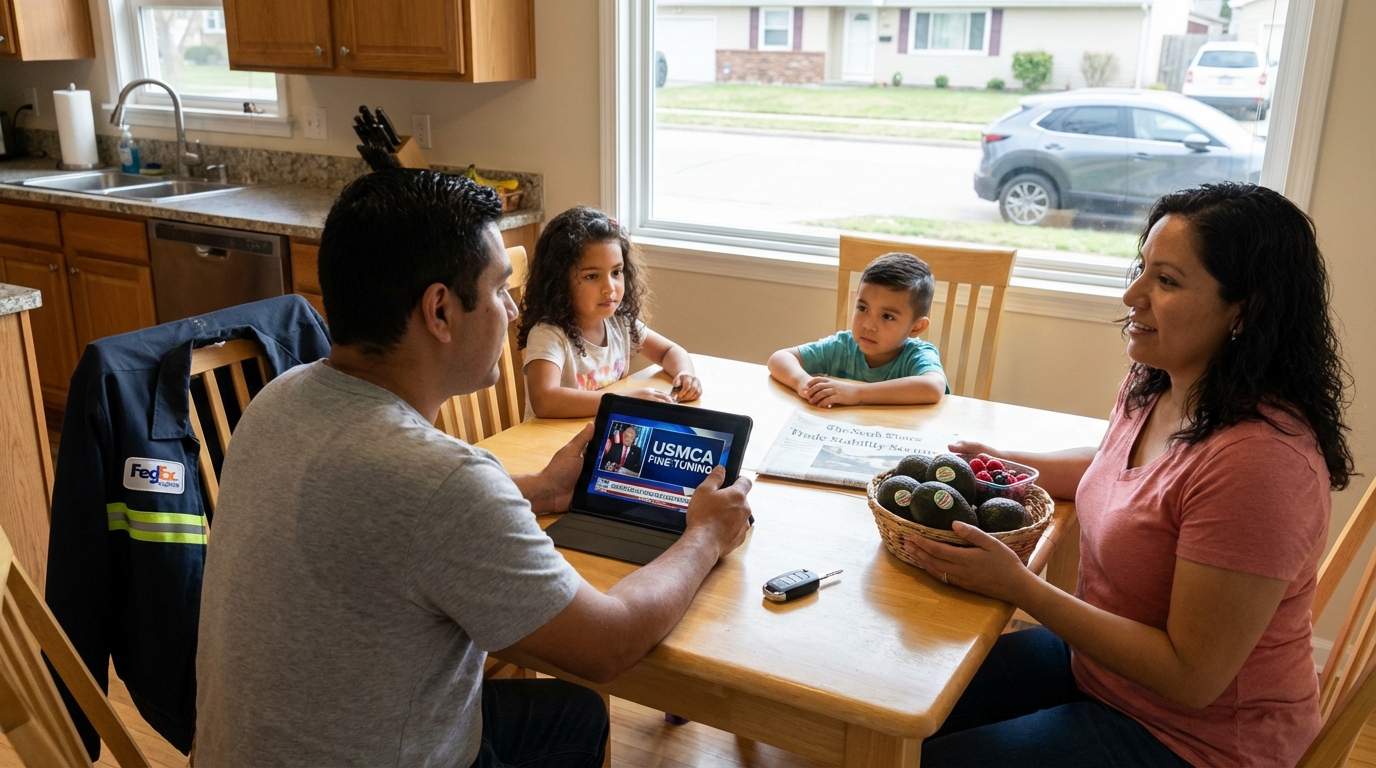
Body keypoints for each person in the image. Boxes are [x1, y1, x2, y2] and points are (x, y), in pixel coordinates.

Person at [194, 170, 754, 767]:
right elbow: (607, 645)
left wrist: (540, 489)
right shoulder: (444, 482)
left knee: (573, 713)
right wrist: (705, 535)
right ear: (440, 310)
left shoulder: (276, 400)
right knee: (579, 708)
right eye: (500, 289)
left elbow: (390, 509)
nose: (512, 310)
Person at [908, 183, 1353, 767]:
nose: (1131, 294)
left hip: (1197, 742)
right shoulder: (1161, 381)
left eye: (1166, 281)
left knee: (928, 758)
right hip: (1102, 672)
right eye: (1142, 268)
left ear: (1244, 311)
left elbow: (1191, 677)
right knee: (908, 707)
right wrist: (1004, 465)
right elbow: (1117, 471)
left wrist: (1020, 587)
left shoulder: (1260, 462)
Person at [518, 206, 701, 419]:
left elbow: (668, 351)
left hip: (600, 433)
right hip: (550, 439)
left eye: (616, 272)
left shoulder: (619, 322)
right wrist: (624, 401)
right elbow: (545, 401)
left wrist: (685, 374)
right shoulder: (549, 334)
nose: (609, 288)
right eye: (592, 276)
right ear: (558, 282)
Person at [767, 252, 947, 407]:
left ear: (916, 327)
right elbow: (780, 358)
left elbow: (933, 387)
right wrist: (805, 384)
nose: (868, 325)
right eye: (862, 308)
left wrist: (856, 393)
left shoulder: (916, 355)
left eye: (887, 316)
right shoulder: (842, 347)